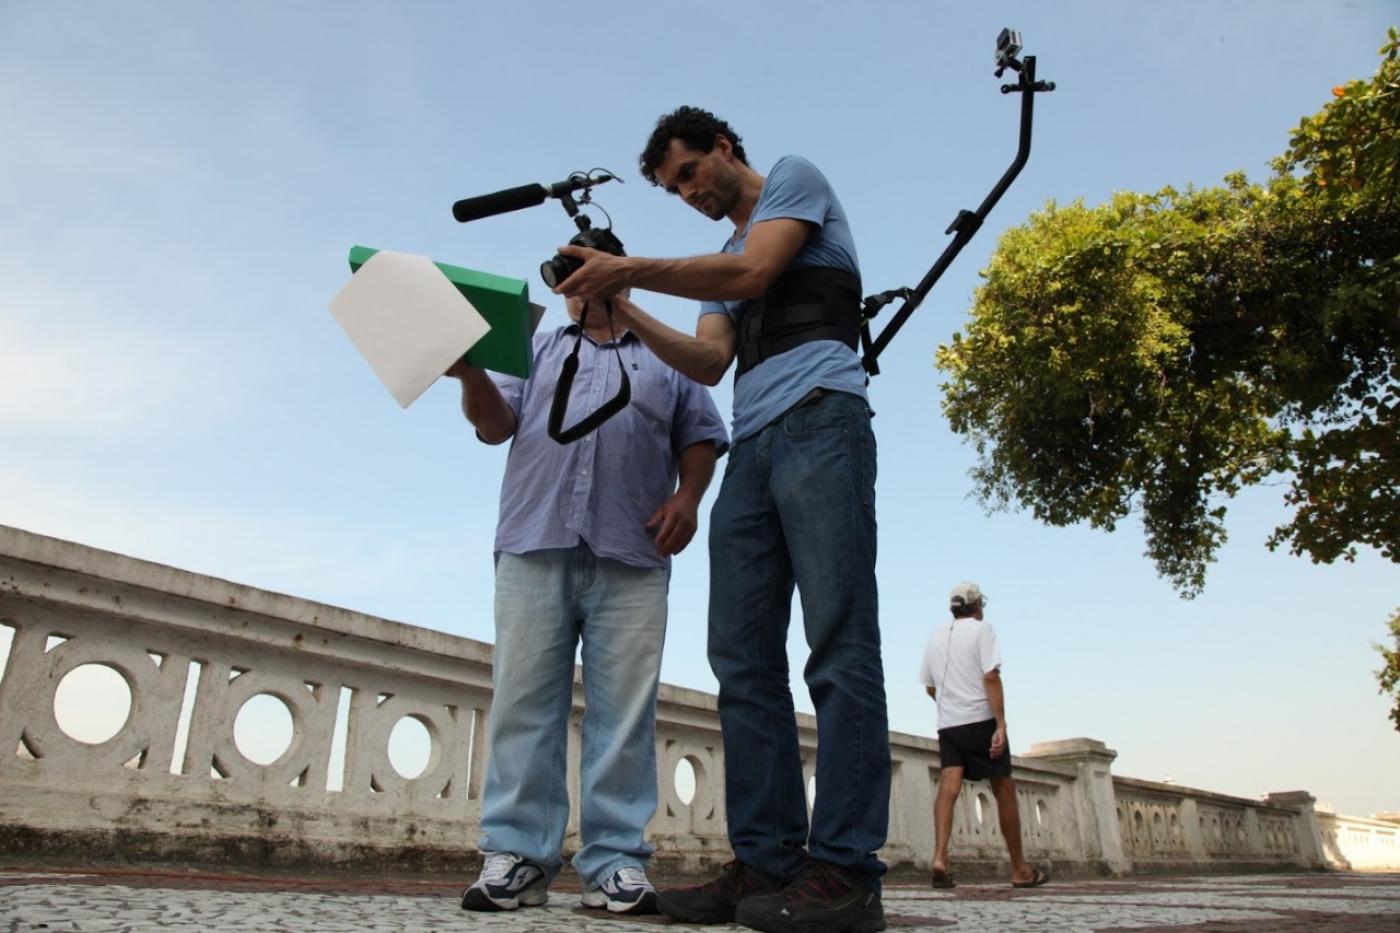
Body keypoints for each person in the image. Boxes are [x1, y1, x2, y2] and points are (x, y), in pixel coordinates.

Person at [554, 106, 890, 933]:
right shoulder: (719, 255)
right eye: (673, 188)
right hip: (755, 447)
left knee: (839, 639)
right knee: (740, 656)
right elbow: (709, 359)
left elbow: (751, 276)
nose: (687, 193)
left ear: (724, 148)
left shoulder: (794, 180)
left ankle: (846, 869)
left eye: (690, 174)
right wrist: (619, 300)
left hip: (822, 420)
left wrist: (626, 264)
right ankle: (769, 861)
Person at [452, 293, 728, 915]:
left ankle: (617, 863)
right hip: (533, 541)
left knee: (626, 715)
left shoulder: (666, 353)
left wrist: (689, 498)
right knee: (522, 701)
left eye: (591, 267)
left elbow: (702, 435)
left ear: (620, 278)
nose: (578, 286)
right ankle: (518, 856)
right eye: (568, 274)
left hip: (634, 550)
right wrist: (470, 373)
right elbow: (493, 427)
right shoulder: (533, 348)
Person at [916, 582, 1049, 890]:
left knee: (948, 787)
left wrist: (950, 705)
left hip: (949, 725)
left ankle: (939, 858)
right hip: (981, 720)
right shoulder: (982, 630)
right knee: (1004, 788)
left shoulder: (936, 635)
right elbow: (990, 675)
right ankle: (1019, 869)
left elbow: (929, 686)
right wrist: (1000, 724)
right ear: (977, 605)